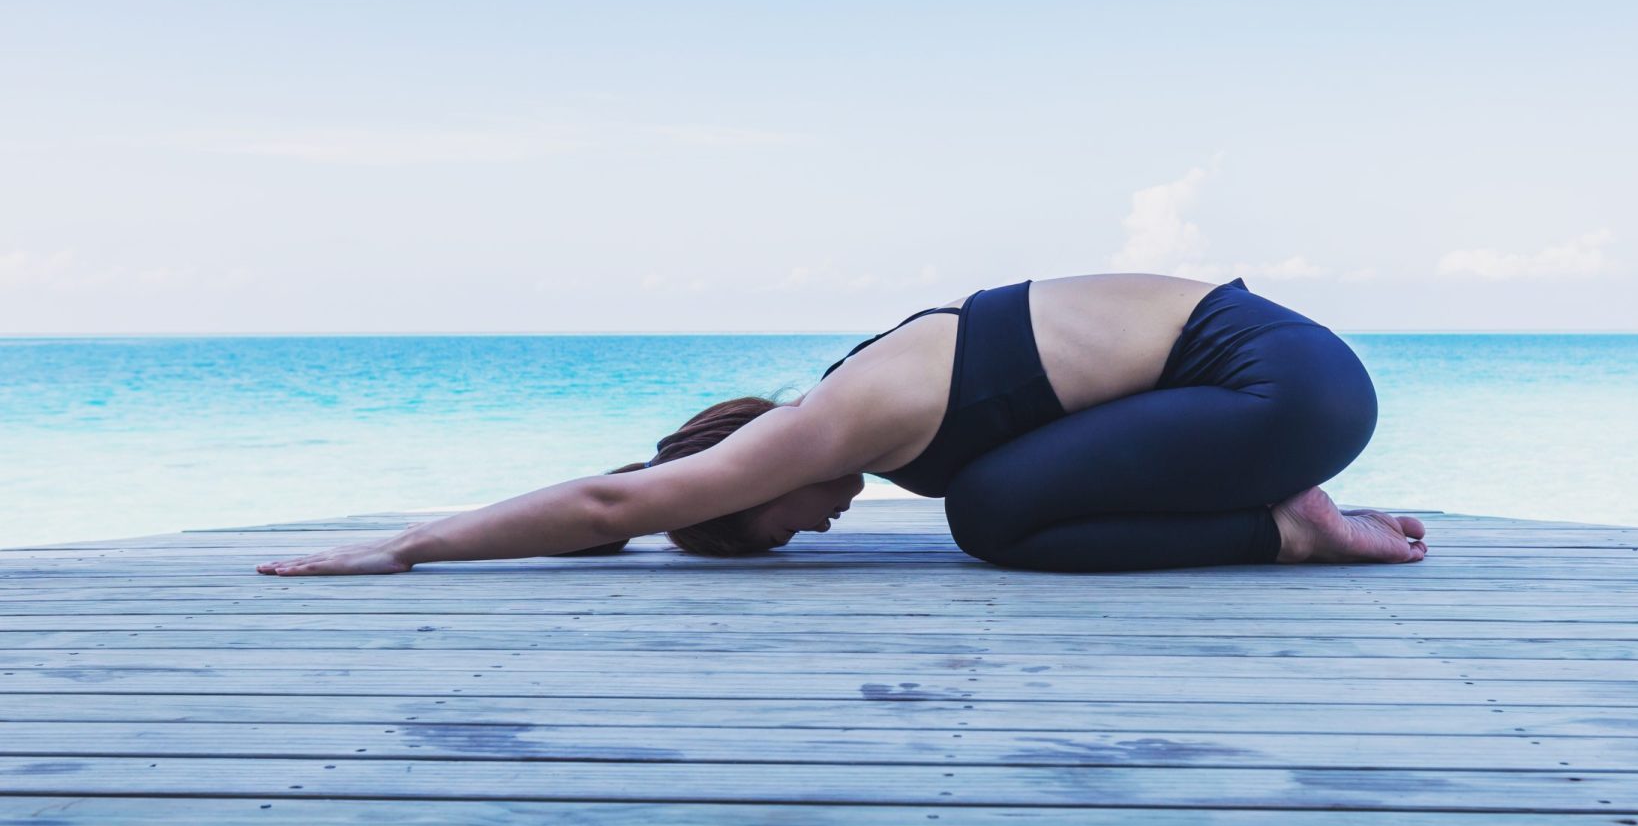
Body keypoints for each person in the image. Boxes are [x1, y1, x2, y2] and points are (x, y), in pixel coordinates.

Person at [255, 273, 1427, 577]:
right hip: (1275, 386)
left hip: (1282, 384)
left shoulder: (833, 416)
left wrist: (406, 545)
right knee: (1003, 503)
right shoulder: (864, 403)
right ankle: (1283, 512)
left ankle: (1298, 530)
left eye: (766, 530)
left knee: (997, 513)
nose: (810, 531)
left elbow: (617, 504)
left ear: (737, 476)